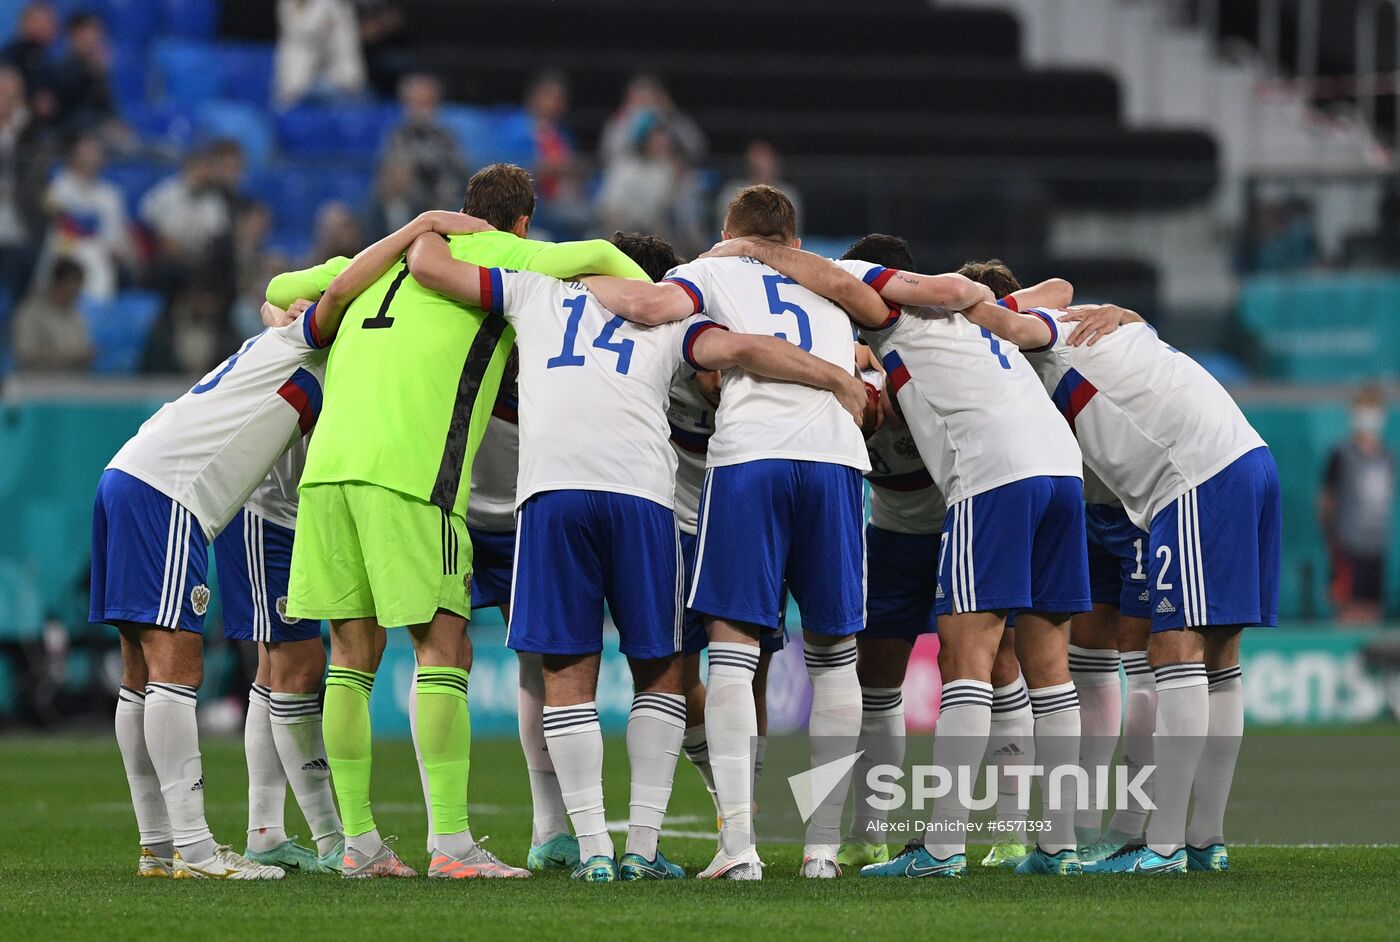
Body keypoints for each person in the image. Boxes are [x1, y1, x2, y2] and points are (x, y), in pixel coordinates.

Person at [406, 228, 866, 882]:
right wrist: (839, 376)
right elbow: (746, 349)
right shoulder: (674, 317)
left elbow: (429, 263)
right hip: (644, 499)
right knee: (663, 672)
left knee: (565, 673)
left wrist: (516, 249)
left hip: (551, 493)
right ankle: (644, 849)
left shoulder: (535, 291)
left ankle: (594, 850)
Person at [280, 162, 653, 880]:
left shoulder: (371, 264)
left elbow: (277, 292)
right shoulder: (500, 251)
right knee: (443, 650)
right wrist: (664, 298)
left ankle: (357, 845)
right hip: (412, 474)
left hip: (326, 469)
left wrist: (413, 230)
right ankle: (450, 844)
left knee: (351, 657)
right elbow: (603, 258)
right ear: (522, 222)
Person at [89, 212, 470, 879]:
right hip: (172, 491)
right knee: (177, 665)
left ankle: (158, 847)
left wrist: (278, 304)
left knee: (141, 672)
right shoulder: (311, 343)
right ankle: (199, 853)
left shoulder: (288, 341)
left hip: (130, 472)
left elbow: (297, 302)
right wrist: (422, 227)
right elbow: (342, 291)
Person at [710, 232, 1089, 878]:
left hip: (988, 480)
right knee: (1047, 667)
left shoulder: (893, 315)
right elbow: (1054, 294)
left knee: (969, 664)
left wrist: (757, 251)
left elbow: (838, 282)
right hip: (1056, 472)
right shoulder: (960, 329)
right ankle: (1055, 845)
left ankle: (943, 850)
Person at [583, 185, 889, 880]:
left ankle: (740, 847)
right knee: (834, 655)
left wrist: (558, 283)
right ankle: (821, 852)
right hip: (837, 459)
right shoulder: (832, 288)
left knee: (732, 649)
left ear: (727, 234)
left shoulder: (710, 270)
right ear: (795, 242)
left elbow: (651, 307)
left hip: (752, 456)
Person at [958, 265, 1280, 874]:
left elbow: (1015, 315)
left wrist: (941, 311)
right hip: (1243, 458)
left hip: (1191, 477)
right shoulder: (1089, 323)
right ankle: (1204, 840)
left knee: (1176, 652)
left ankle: (1161, 847)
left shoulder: (1038, 339)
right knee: (1218, 657)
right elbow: (1060, 291)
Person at [1321, 386, 1395, 624]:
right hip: (1349, 545)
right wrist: (1333, 540)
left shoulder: (1387, 458)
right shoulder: (1341, 454)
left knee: (1373, 607)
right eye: (1364, 408)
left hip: (1376, 545)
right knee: (1348, 608)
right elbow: (1326, 501)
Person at [41, 132, 133, 300]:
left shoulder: (110, 194)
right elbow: (55, 225)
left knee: (98, 259)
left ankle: (95, 314)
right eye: (87, 152)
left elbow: (114, 235)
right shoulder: (57, 188)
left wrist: (113, 249)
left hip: (99, 252)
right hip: (64, 249)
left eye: (96, 153)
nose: (92, 158)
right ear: (73, 157)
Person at [380, 73, 468, 215]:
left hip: (445, 203)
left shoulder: (445, 137)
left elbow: (460, 172)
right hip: (411, 203)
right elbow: (390, 180)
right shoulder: (398, 137)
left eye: (427, 103)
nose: (422, 110)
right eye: (416, 103)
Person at [274, 0, 367, 108]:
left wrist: (352, 78)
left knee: (355, 103)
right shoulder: (288, 4)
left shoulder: (338, 6)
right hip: (296, 86)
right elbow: (300, 29)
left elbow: (346, 45)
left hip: (339, 83)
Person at [12, 255, 91, 371]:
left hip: (72, 382)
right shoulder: (30, 313)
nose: (77, 292)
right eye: (74, 286)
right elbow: (25, 354)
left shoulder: (75, 315)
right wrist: (68, 356)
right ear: (60, 284)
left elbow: (83, 348)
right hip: (36, 383)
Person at [45, 12, 116, 134]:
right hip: (71, 132)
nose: (95, 38)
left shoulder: (97, 69)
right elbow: (69, 105)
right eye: (90, 32)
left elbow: (105, 106)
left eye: (97, 32)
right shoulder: (59, 67)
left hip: (98, 129)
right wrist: (91, 73)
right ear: (75, 34)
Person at [715, 141, 802, 235]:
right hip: (738, 245)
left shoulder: (788, 194)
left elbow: (792, 233)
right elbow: (725, 231)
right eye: (756, 158)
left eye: (764, 157)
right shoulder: (732, 192)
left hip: (778, 246)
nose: (759, 163)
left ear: (775, 161)